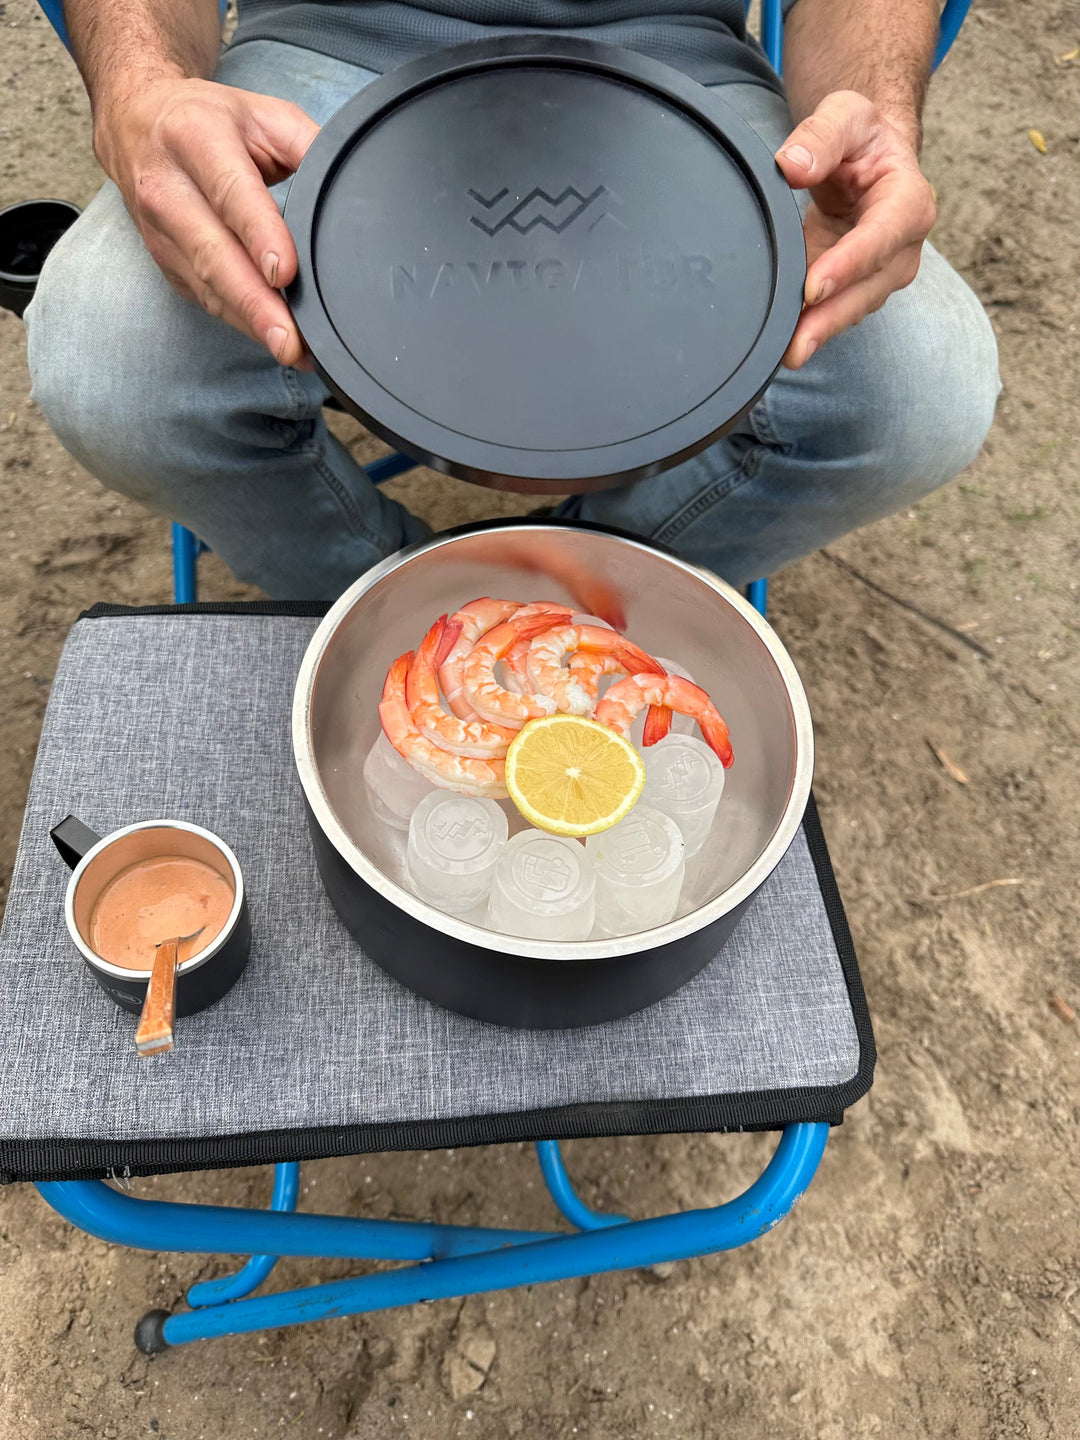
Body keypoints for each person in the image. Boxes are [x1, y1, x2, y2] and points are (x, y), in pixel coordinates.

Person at [25, 0, 999, 600]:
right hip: (323, 57)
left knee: (918, 388)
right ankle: (408, 602)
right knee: (113, 352)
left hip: (676, 75)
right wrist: (141, 86)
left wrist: (876, 106)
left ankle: (568, 604)